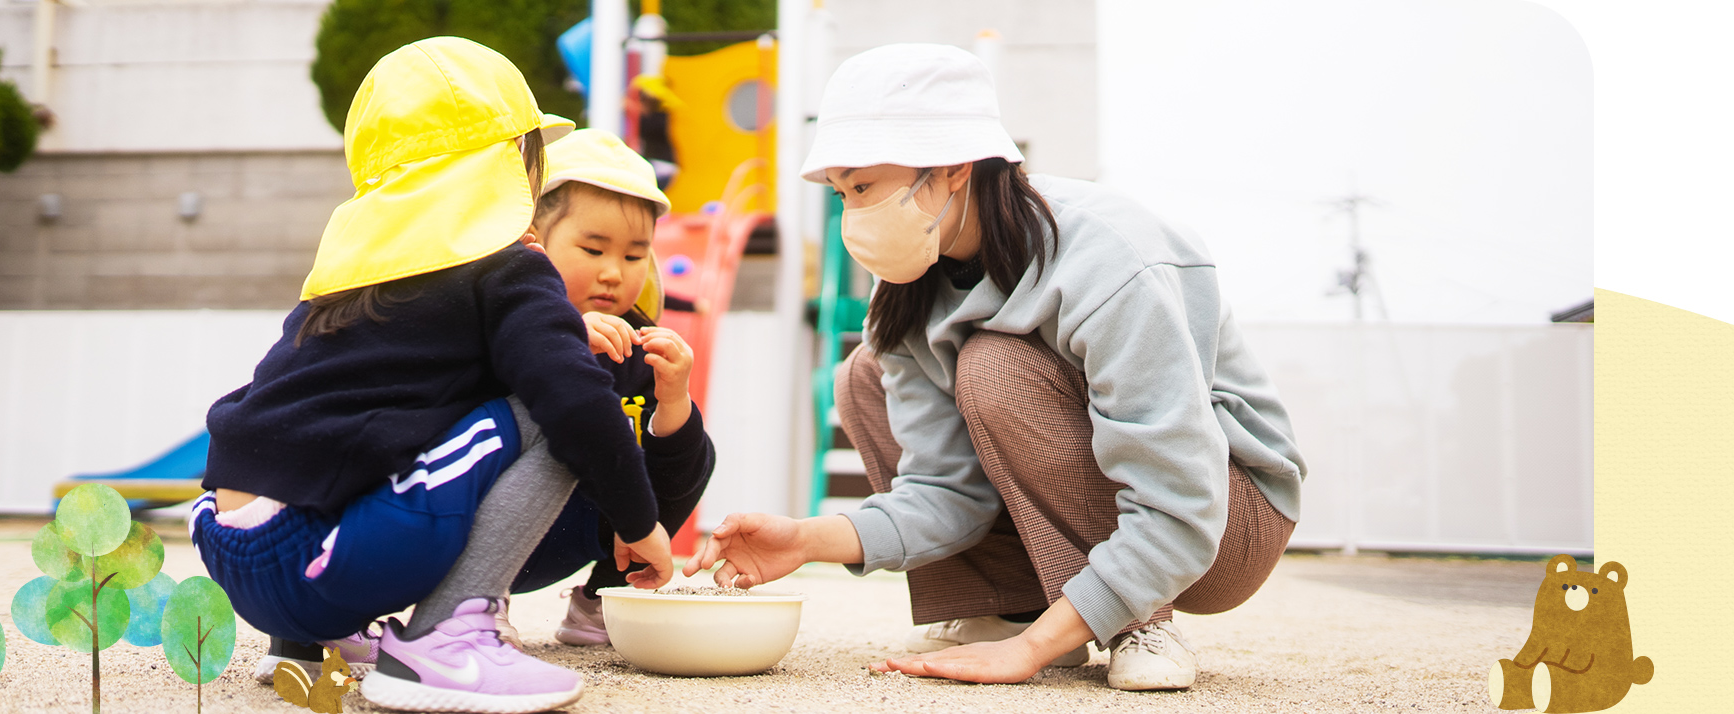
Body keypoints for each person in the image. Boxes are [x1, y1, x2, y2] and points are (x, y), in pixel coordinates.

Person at [684, 43, 1308, 692]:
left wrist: (1030, 654)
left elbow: (1182, 499)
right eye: (842, 194)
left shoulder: (1110, 258)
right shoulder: (906, 288)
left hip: (1225, 521)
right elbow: (947, 493)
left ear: (953, 168)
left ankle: (1137, 619)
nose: (854, 215)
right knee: (863, 376)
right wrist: (808, 539)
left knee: (994, 366)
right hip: (1148, 510)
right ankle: (1017, 606)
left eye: (864, 186)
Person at [189, 37, 672, 714]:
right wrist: (638, 519)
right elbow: (574, 402)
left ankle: (309, 641)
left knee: (380, 416)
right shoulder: (509, 266)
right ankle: (445, 643)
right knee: (551, 412)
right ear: (516, 167)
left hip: (227, 539)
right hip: (319, 561)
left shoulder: (346, 273)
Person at [500, 128, 715, 647]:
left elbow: (670, 469)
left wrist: (673, 399)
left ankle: (606, 599)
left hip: (580, 533)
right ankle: (473, 604)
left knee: (695, 450)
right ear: (533, 240)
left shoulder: (637, 341)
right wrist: (564, 342)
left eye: (635, 255)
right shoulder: (499, 319)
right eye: (593, 249)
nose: (615, 273)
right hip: (478, 534)